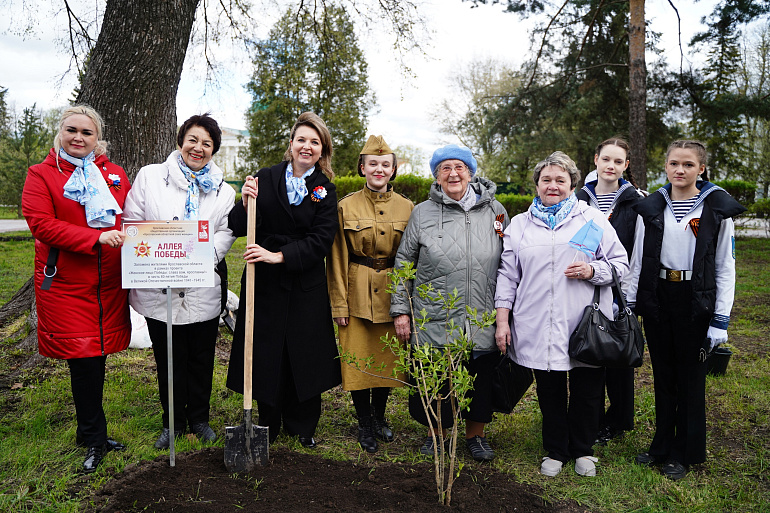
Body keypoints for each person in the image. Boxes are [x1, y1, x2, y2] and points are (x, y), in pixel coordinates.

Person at [494, 151, 629, 477]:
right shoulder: (520, 225)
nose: (552, 185)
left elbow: (620, 265)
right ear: (537, 184)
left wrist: (593, 270)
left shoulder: (592, 220)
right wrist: (502, 320)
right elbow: (507, 276)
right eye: (546, 180)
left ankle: (583, 450)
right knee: (549, 389)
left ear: (572, 184)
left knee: (587, 389)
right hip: (537, 321)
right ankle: (556, 449)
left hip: (584, 322)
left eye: (560, 180)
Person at [21, 105, 131, 473]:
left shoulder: (115, 174)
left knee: (96, 357)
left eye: (87, 132)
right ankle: (95, 438)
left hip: (108, 283)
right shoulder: (41, 174)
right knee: (83, 361)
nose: (78, 138)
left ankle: (89, 433)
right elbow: (41, 224)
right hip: (67, 283)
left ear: (97, 138)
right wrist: (95, 237)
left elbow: (132, 216)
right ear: (60, 132)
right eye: (72, 130)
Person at [631, 140, 745, 480]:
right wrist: (632, 303)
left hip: (695, 299)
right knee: (664, 375)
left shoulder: (716, 207)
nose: (680, 170)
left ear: (701, 168)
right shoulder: (652, 206)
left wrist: (720, 319)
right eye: (674, 164)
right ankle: (661, 445)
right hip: (659, 296)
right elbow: (638, 259)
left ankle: (684, 451)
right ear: (665, 166)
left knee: (690, 378)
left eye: (688, 164)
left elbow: (725, 266)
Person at [226, 112, 340, 449]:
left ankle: (302, 423)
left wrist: (281, 256)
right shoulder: (265, 177)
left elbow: (322, 239)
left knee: (304, 352)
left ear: (322, 150)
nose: (307, 146)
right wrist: (245, 201)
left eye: (315, 142)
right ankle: (268, 421)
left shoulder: (325, 189)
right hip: (264, 283)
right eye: (301, 139)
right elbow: (238, 225)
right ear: (291, 144)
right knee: (267, 349)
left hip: (304, 282)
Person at [123, 114, 236, 449]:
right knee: (168, 359)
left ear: (213, 149)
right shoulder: (150, 177)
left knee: (201, 358)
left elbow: (225, 231)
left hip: (202, 287)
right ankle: (172, 422)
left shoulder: (223, 191)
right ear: (180, 141)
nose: (198, 148)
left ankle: (199, 418)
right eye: (193, 140)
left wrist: (200, 258)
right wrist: (159, 255)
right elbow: (133, 219)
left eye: (207, 143)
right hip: (160, 285)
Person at [390, 144, 509, 462]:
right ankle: (436, 435)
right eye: (445, 168)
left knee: (479, 377)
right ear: (437, 176)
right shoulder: (422, 212)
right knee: (436, 378)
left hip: (481, 311)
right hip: (434, 314)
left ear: (471, 173)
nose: (453, 174)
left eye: (459, 167)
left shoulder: (496, 211)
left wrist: (506, 315)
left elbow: (509, 262)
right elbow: (404, 263)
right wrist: (401, 310)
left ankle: (476, 436)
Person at [327, 136, 413, 453]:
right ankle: (364, 422)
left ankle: (379, 417)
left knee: (385, 361)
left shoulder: (408, 207)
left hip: (392, 294)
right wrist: (339, 304)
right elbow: (336, 258)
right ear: (362, 168)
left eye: (385, 164)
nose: (379, 169)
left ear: (393, 170)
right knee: (359, 361)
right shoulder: (345, 206)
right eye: (373, 163)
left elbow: (411, 258)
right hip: (356, 293)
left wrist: (407, 304)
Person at [575, 137, 645, 445]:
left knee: (618, 357)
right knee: (588, 351)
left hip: (619, 290)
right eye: (606, 159)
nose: (611, 166)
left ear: (626, 166)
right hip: (582, 287)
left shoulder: (637, 202)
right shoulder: (578, 199)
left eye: (618, 161)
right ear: (596, 160)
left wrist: (627, 297)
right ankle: (586, 416)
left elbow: (638, 254)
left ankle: (618, 419)